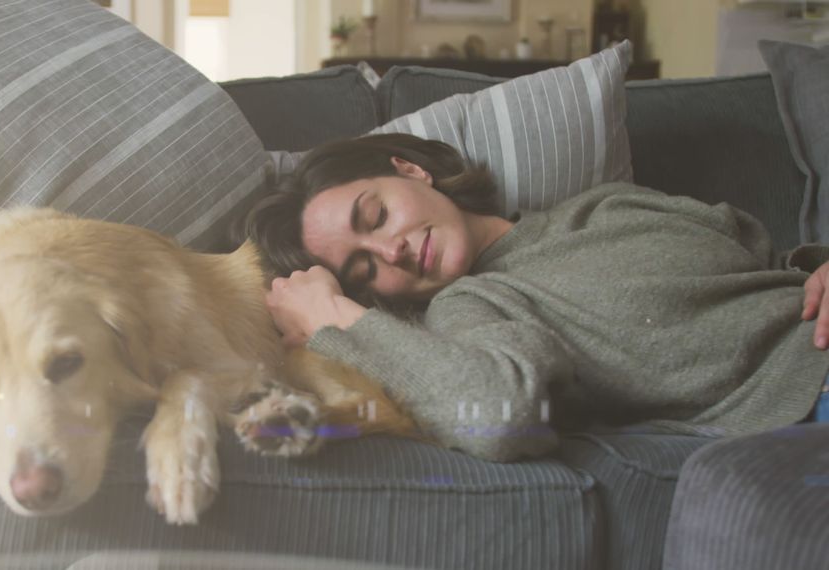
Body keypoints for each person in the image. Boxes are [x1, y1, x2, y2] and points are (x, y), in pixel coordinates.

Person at [244, 133, 829, 462]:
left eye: (376, 215)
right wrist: (337, 321)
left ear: (411, 170)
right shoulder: (473, 306)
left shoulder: (606, 205)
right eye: (364, 270)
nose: (391, 251)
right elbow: (496, 418)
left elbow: (763, 256)